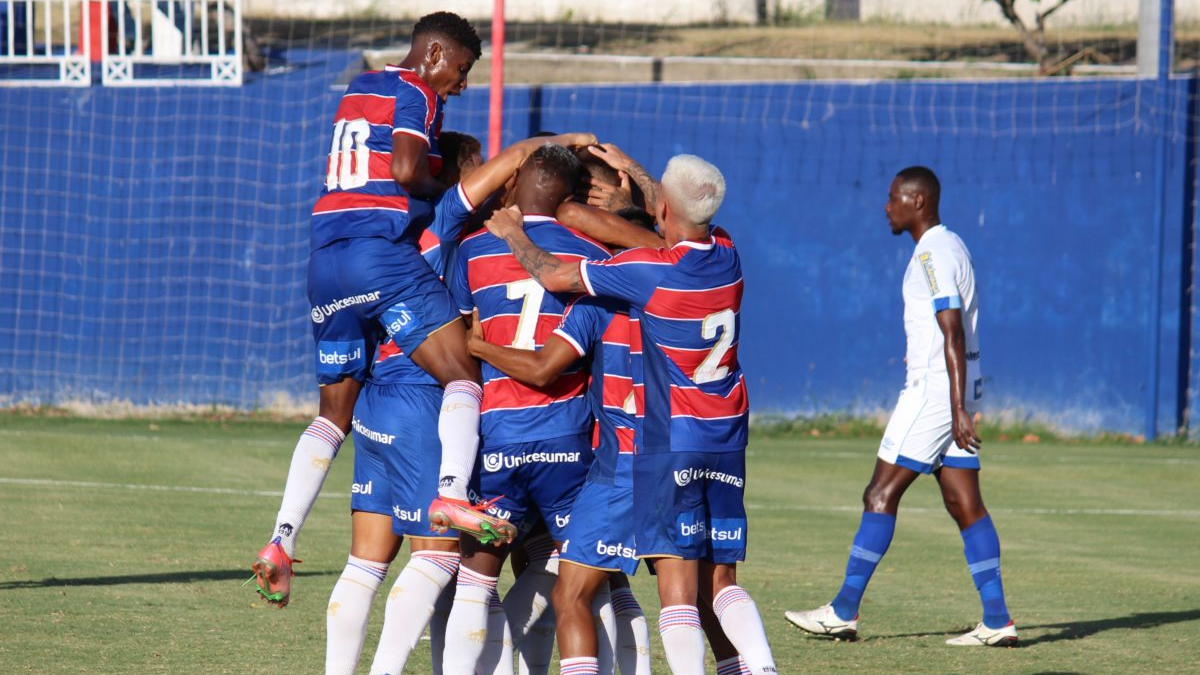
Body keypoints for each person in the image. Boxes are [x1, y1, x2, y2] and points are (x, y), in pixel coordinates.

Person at [251, 11, 509, 608]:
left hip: (324, 256)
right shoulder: (417, 89)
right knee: (464, 375)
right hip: (375, 252)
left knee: (331, 415)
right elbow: (404, 170)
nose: (463, 85)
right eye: (464, 70)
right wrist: (446, 177)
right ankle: (450, 493)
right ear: (438, 54)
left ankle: (281, 540)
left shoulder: (362, 83)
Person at [482, 154, 778, 675]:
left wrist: (513, 232)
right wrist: (636, 186)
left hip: (660, 445)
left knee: (664, 593)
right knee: (719, 585)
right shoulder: (728, 254)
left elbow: (552, 277)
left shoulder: (639, 278)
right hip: (726, 437)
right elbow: (684, 215)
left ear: (663, 206)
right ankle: (762, 668)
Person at [319, 131, 596, 675]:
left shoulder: (436, 243)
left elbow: (466, 327)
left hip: (424, 411)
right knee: (573, 575)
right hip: (505, 421)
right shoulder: (570, 252)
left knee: (402, 568)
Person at [783, 166, 1016, 647]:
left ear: (918, 202)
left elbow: (951, 328)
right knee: (963, 502)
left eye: (893, 198)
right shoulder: (948, 246)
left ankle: (843, 611)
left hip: (935, 393)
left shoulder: (933, 252)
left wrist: (954, 408)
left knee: (879, 493)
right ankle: (998, 621)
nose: (885, 207)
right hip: (956, 389)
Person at [440, 144, 611, 675]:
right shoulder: (593, 254)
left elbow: (466, 337)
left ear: (515, 186)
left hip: (498, 436)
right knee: (589, 582)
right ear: (573, 198)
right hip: (569, 441)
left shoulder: (471, 249)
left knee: (475, 578)